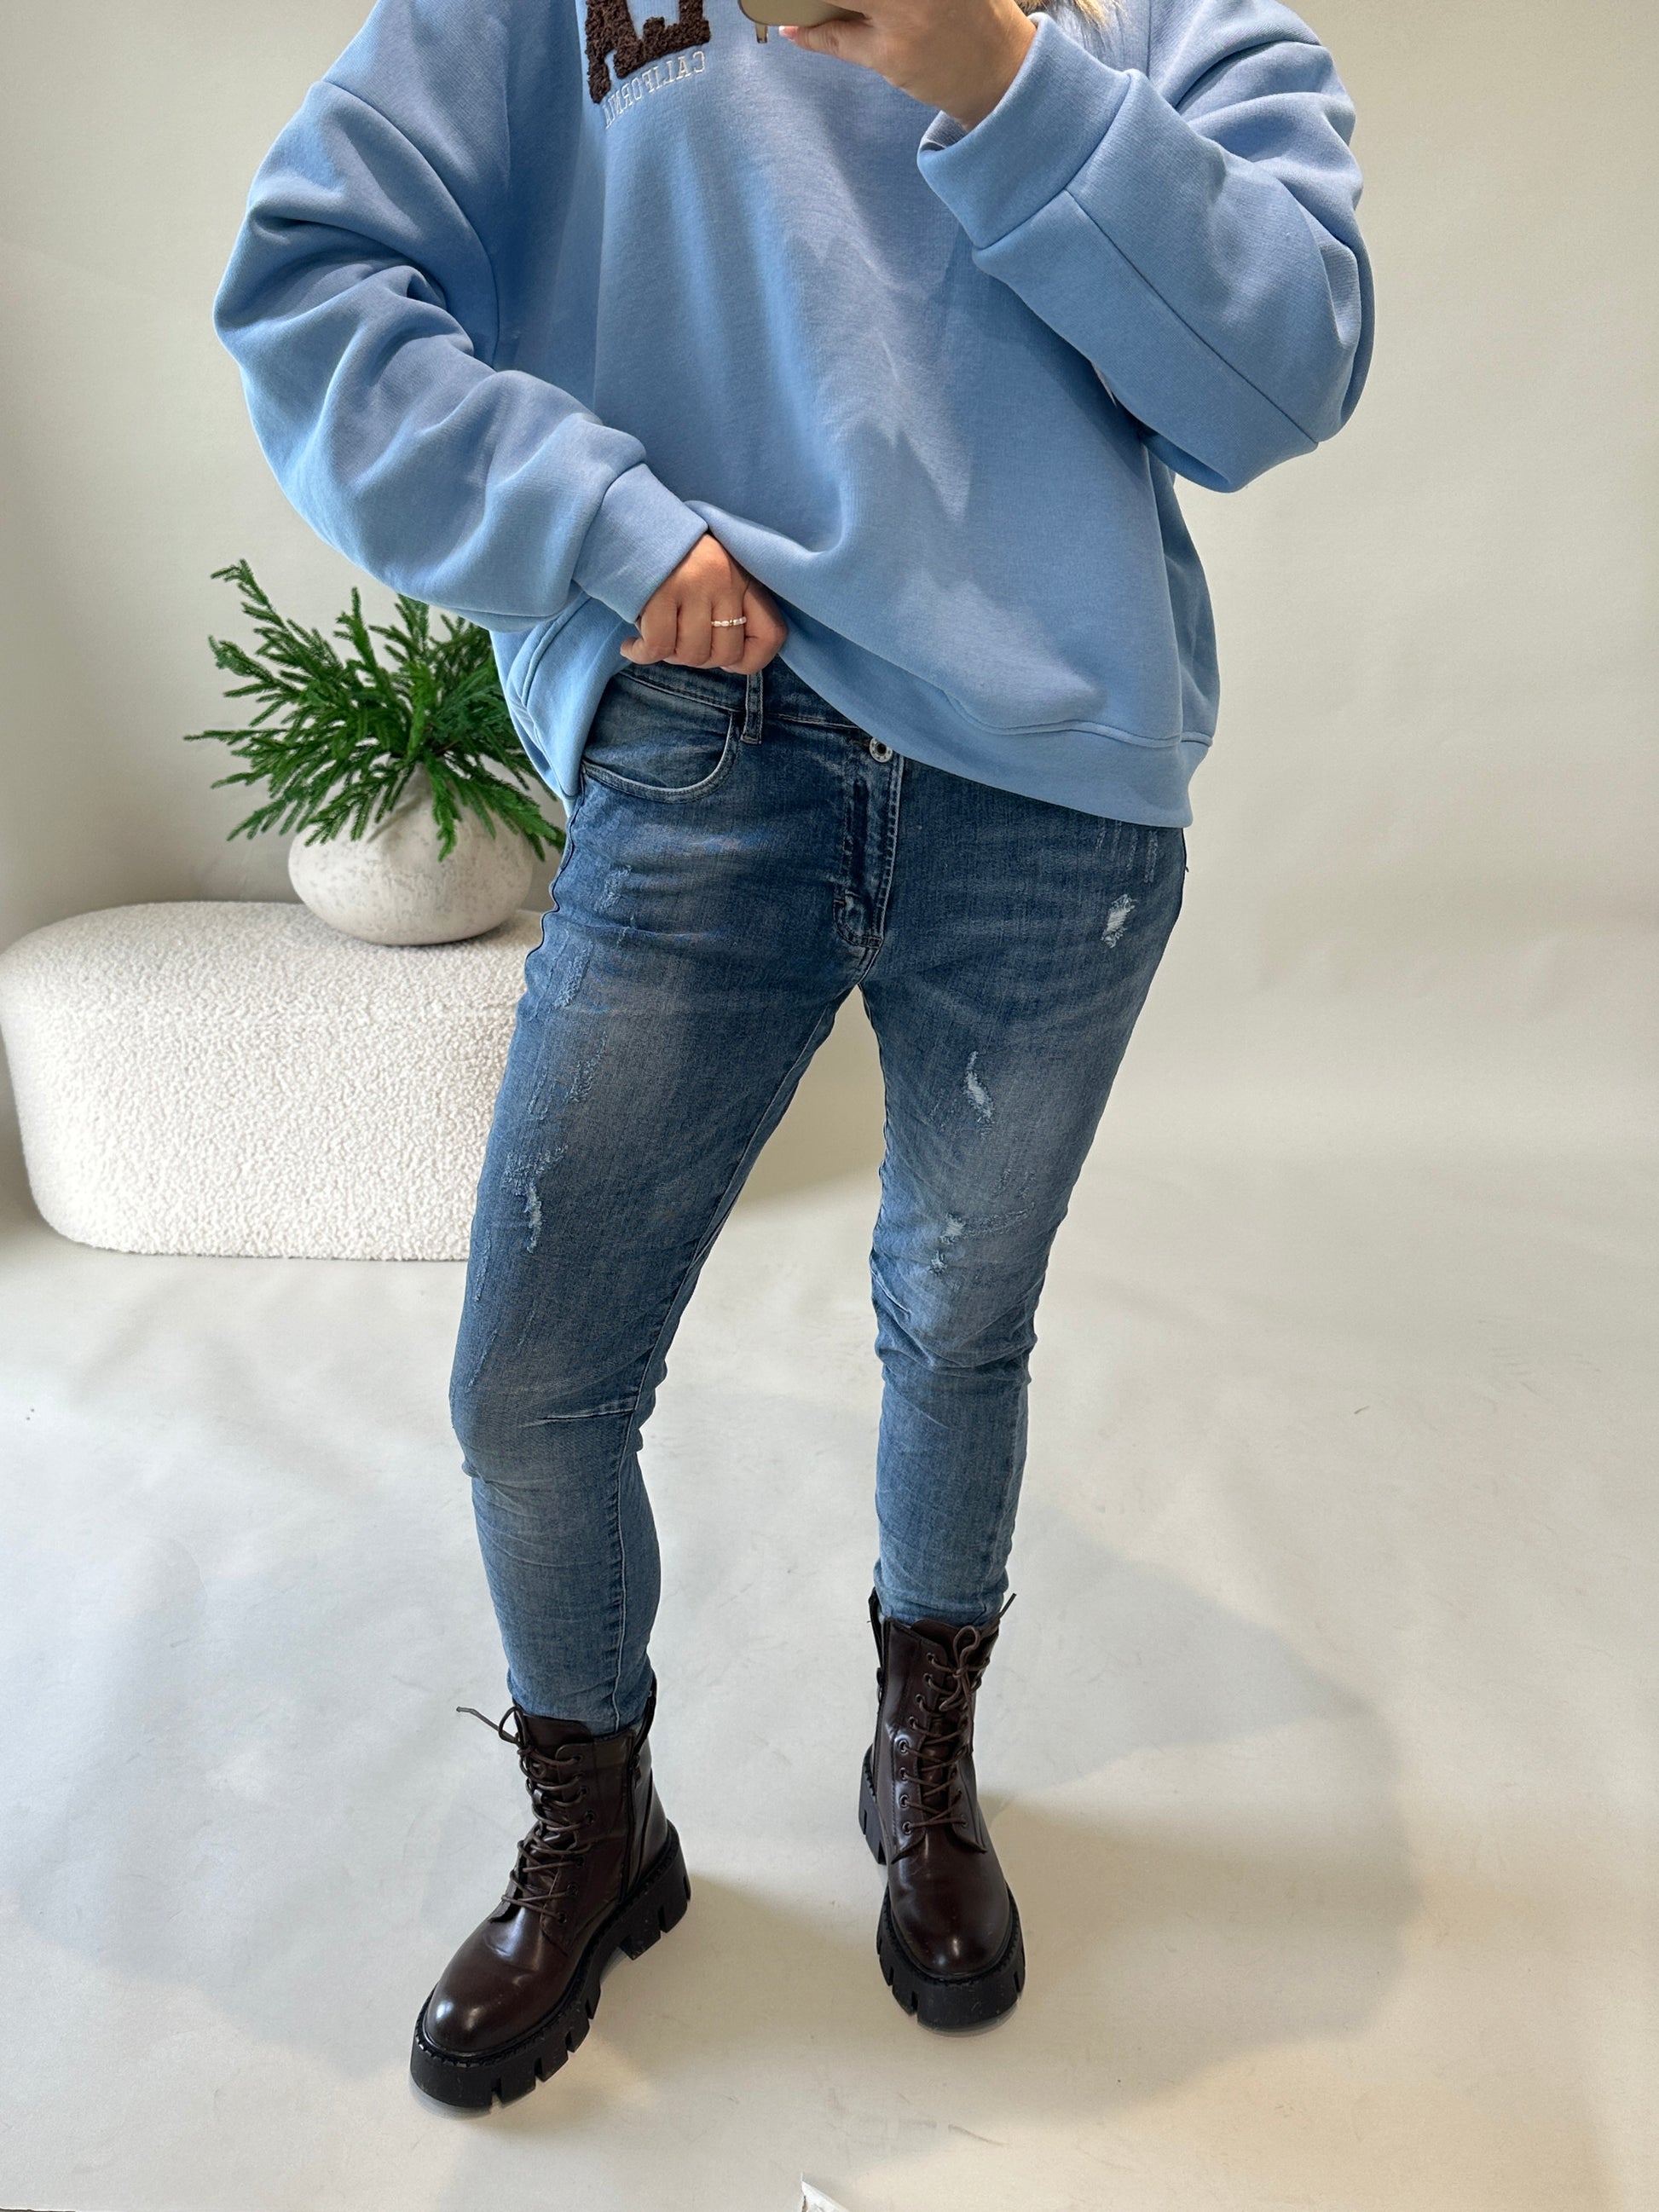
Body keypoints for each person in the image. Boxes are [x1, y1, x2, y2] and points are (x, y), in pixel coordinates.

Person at [216, 0, 1372, 2109]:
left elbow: (1279, 365)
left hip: (1056, 792)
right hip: (703, 734)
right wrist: (597, 524)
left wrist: (996, 66)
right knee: (532, 1379)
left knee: (959, 1315)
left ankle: (920, 1756)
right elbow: (311, 282)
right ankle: (597, 1817)